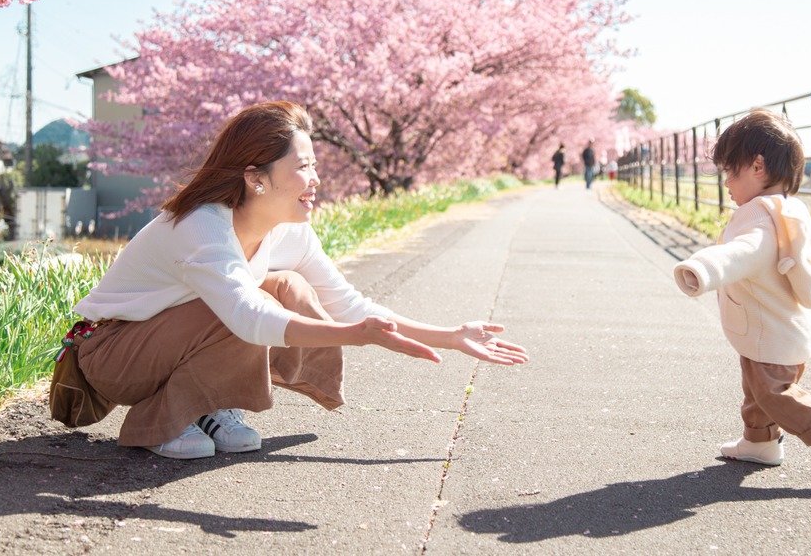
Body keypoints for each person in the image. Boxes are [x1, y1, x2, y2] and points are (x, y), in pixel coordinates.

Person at [71, 101, 529, 460]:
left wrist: (448, 336)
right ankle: (163, 422)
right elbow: (248, 316)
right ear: (256, 179)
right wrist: (354, 338)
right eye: (303, 166)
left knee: (287, 286)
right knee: (247, 302)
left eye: (314, 164)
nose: (316, 178)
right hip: (110, 354)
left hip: (169, 341)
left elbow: (348, 302)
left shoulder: (291, 230)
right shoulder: (202, 226)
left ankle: (204, 406)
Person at [671, 109, 811, 486]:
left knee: (773, 394)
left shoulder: (760, 220)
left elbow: (740, 254)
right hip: (785, 331)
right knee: (756, 392)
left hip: (768, 333)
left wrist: (701, 269)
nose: (726, 182)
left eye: (732, 171)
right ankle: (759, 443)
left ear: (758, 166)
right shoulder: (793, 215)